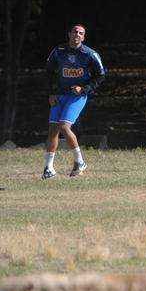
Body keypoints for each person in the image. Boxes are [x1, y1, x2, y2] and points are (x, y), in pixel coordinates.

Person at [43, 24, 105, 179]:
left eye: (81, 33)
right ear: (69, 34)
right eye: (75, 32)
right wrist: (51, 93)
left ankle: (80, 162)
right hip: (59, 95)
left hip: (76, 97)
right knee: (53, 130)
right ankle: (48, 168)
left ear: (83, 37)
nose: (77, 34)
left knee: (64, 126)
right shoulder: (58, 51)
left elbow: (101, 75)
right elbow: (48, 72)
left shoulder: (89, 54)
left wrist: (84, 89)